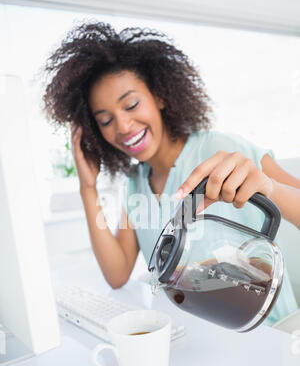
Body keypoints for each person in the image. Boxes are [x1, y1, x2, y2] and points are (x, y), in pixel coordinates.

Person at [43, 21, 300, 326]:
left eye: (132, 105)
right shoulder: (135, 184)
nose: (123, 126)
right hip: (197, 340)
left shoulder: (222, 148)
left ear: (160, 96)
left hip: (269, 335)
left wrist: (270, 188)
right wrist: (88, 187)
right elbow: (116, 274)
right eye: (105, 119)